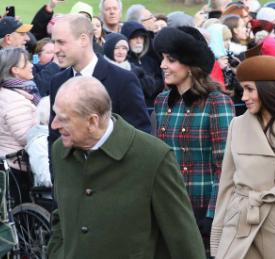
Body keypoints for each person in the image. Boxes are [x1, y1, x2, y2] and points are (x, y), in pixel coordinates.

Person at [47, 76, 205, 259]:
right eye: (55, 114)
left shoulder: (153, 156)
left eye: (63, 119)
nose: (54, 124)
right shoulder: (61, 151)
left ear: (92, 121)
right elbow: (61, 216)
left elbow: (182, 237)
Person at [153, 26, 234, 257]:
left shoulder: (216, 102)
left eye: (171, 60)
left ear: (190, 65)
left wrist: (212, 214)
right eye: (162, 58)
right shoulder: (161, 101)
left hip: (202, 210)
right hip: (168, 207)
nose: (162, 65)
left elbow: (225, 164)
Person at [210, 55, 275, 259]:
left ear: (269, 89)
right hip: (239, 222)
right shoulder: (237, 125)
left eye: (250, 89)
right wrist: (217, 237)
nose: (243, 97)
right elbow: (226, 185)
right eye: (243, 90)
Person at [49, 14, 151, 148]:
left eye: (61, 42)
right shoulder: (57, 82)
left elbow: (140, 134)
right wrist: (57, 169)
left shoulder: (123, 80)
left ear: (83, 40)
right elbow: (55, 137)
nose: (55, 49)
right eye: (54, 42)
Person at [0, 48, 39, 205]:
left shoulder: (17, 92)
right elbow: (25, 136)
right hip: (16, 167)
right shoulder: (14, 99)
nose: (31, 65)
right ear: (14, 70)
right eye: (26, 63)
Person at [103, 32, 162, 106]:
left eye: (124, 48)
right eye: (116, 48)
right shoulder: (101, 68)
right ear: (108, 48)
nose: (121, 52)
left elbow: (150, 89)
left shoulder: (135, 69)